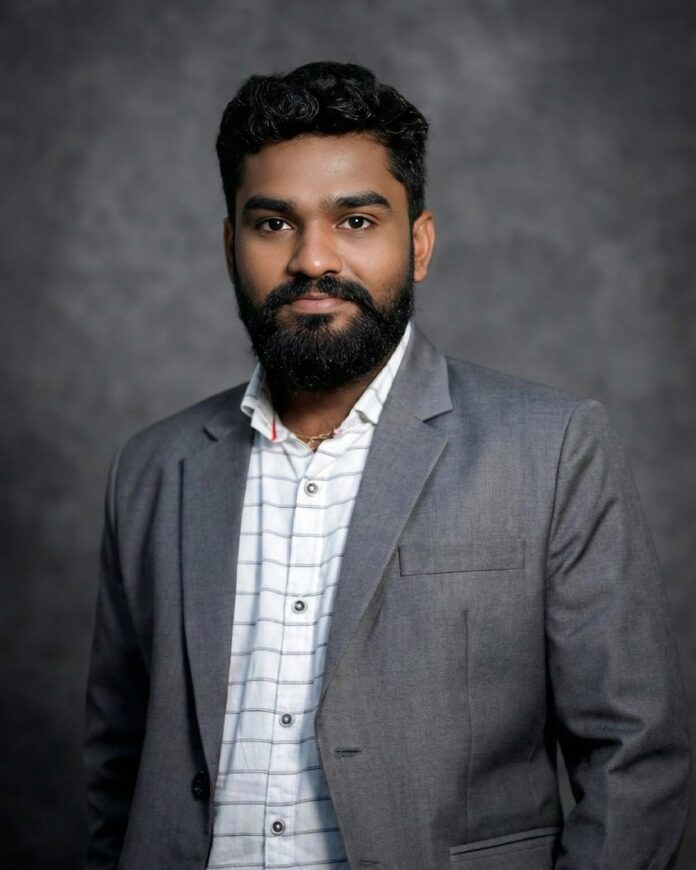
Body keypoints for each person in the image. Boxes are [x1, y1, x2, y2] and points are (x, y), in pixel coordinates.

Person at [83, 61, 690, 870]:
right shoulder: (153, 470)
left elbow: (635, 757)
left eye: (357, 221)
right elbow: (117, 768)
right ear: (231, 246)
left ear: (420, 243)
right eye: (274, 223)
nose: (313, 259)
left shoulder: (551, 448)